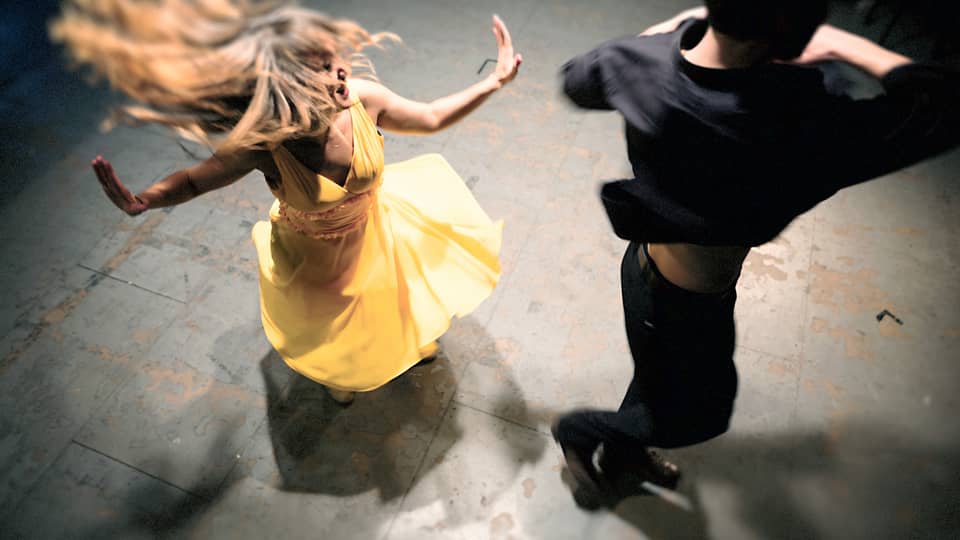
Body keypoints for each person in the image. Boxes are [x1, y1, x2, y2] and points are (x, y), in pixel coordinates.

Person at [554, 1, 960, 508]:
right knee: (700, 413)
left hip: (652, 269)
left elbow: (576, 80)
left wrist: (665, 34)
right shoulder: (804, 127)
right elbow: (944, 104)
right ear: (795, 36)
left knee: (658, 379)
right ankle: (580, 430)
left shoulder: (641, 62)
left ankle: (624, 458)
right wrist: (840, 43)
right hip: (681, 303)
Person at [51, 0, 522, 404]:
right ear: (283, 90)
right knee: (340, 326)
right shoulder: (265, 144)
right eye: (316, 69)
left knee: (392, 297)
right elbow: (194, 181)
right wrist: (145, 200)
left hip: (377, 230)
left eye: (332, 57)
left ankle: (404, 343)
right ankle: (343, 373)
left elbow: (432, 116)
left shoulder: (363, 98)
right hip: (317, 256)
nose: (338, 71)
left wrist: (492, 83)